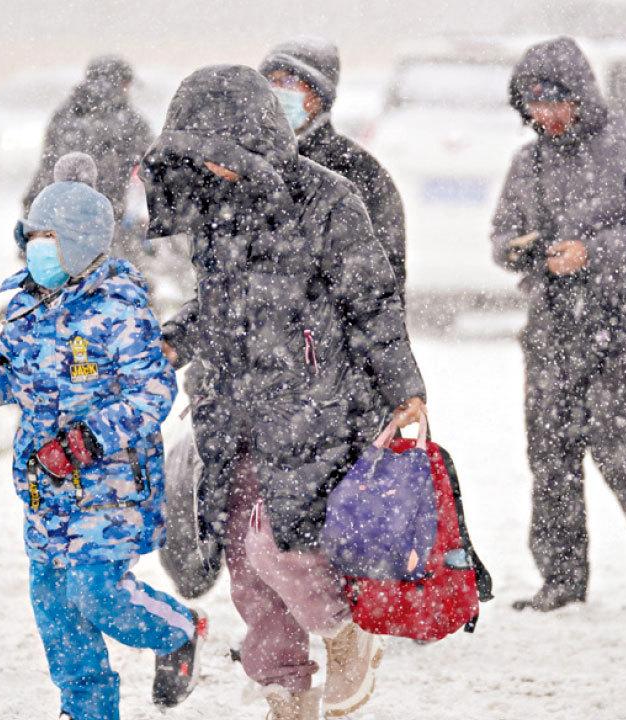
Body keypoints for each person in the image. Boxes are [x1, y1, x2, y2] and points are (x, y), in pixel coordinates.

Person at [142, 65, 427, 720]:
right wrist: (174, 341)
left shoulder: (328, 199)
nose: (214, 173)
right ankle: (285, 698)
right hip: (234, 407)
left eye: (222, 158)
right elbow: (217, 307)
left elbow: (374, 302)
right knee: (247, 569)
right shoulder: (215, 211)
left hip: (317, 405)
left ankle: (343, 631)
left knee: (284, 547)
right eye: (200, 161)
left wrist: (404, 384)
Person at [0, 180, 204, 720]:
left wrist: (86, 442)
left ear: (79, 244)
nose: (35, 248)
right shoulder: (27, 307)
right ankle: (86, 710)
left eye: (47, 238)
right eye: (31, 237)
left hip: (110, 489)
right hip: (46, 493)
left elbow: (153, 391)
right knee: (55, 610)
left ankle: (177, 629)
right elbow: (17, 374)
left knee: (96, 590)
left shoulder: (120, 310)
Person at [490, 36, 626, 612]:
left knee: (622, 447)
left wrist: (594, 251)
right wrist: (532, 252)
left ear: (582, 96)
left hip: (623, 326)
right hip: (551, 328)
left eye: (556, 102)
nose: (546, 116)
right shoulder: (529, 163)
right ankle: (562, 578)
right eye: (534, 105)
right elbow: (502, 239)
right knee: (550, 453)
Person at [260, 37, 408, 296]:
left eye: (290, 82)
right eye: (270, 81)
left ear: (319, 95)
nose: (277, 91)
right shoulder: (245, 162)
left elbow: (382, 286)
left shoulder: (359, 170)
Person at [22, 55, 154, 240]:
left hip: (62, 225)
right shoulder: (130, 121)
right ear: (122, 82)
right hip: (110, 224)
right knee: (113, 267)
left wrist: (31, 222)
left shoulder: (63, 116)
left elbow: (46, 169)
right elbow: (152, 167)